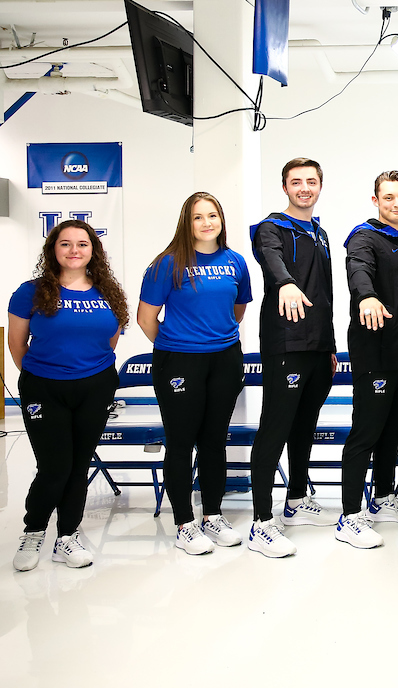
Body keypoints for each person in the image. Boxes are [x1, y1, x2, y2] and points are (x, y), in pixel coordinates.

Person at [137, 192, 253, 555]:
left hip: (224, 359)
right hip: (179, 363)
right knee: (182, 440)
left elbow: (238, 309)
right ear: (186, 224)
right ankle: (185, 523)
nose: (206, 223)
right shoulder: (167, 264)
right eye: (198, 217)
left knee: (215, 440)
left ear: (221, 220)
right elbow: (145, 318)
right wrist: (179, 345)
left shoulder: (235, 261)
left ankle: (213, 515)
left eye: (212, 215)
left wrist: (213, 338)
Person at [10, 220, 127, 571]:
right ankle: (33, 531)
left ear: (94, 251)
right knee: (54, 466)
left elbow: (110, 340)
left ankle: (67, 536)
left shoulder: (108, 292)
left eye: (82, 243)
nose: (74, 250)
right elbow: (17, 344)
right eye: (65, 244)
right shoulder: (29, 292)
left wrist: (89, 374)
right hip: (44, 388)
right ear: (53, 250)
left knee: (78, 465)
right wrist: (42, 375)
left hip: (96, 386)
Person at [247, 158, 338, 557]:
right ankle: (261, 522)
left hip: (319, 347)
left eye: (311, 181)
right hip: (287, 343)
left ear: (320, 186)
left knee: (305, 427)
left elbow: (327, 293)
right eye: (296, 182)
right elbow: (271, 260)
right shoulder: (271, 228)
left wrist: (331, 345)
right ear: (284, 187)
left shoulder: (320, 233)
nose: (304, 188)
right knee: (276, 428)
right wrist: (284, 283)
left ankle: (296, 500)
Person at [335, 171, 398, 549]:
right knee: (366, 433)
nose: (395, 203)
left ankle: (384, 497)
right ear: (375, 200)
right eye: (387, 197)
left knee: (393, 432)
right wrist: (367, 297)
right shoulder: (363, 237)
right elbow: (358, 271)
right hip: (376, 351)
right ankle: (349, 516)